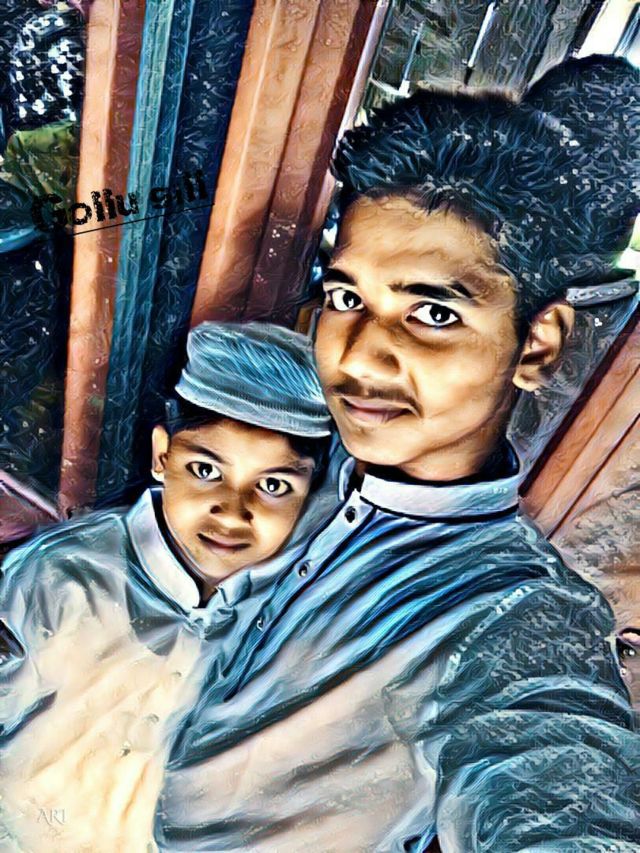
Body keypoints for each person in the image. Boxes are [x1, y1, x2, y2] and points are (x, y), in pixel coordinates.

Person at [154, 57, 640, 851]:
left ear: (537, 344)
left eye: (433, 314)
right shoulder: (302, 448)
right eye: (347, 297)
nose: (357, 355)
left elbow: (555, 779)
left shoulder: (513, 615)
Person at [0, 322, 331, 852]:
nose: (233, 511)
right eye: (205, 470)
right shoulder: (59, 576)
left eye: (273, 485)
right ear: (162, 456)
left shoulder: (297, 618)